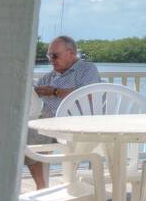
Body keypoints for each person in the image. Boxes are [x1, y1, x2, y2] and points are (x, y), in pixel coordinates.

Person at [26, 36, 100, 189]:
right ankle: (41, 186)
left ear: (71, 53)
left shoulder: (86, 69)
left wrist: (54, 91)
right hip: (48, 124)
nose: (51, 59)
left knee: (28, 136)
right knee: (21, 135)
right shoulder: (48, 77)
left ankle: (46, 186)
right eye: (49, 56)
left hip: (77, 124)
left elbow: (90, 95)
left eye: (55, 55)